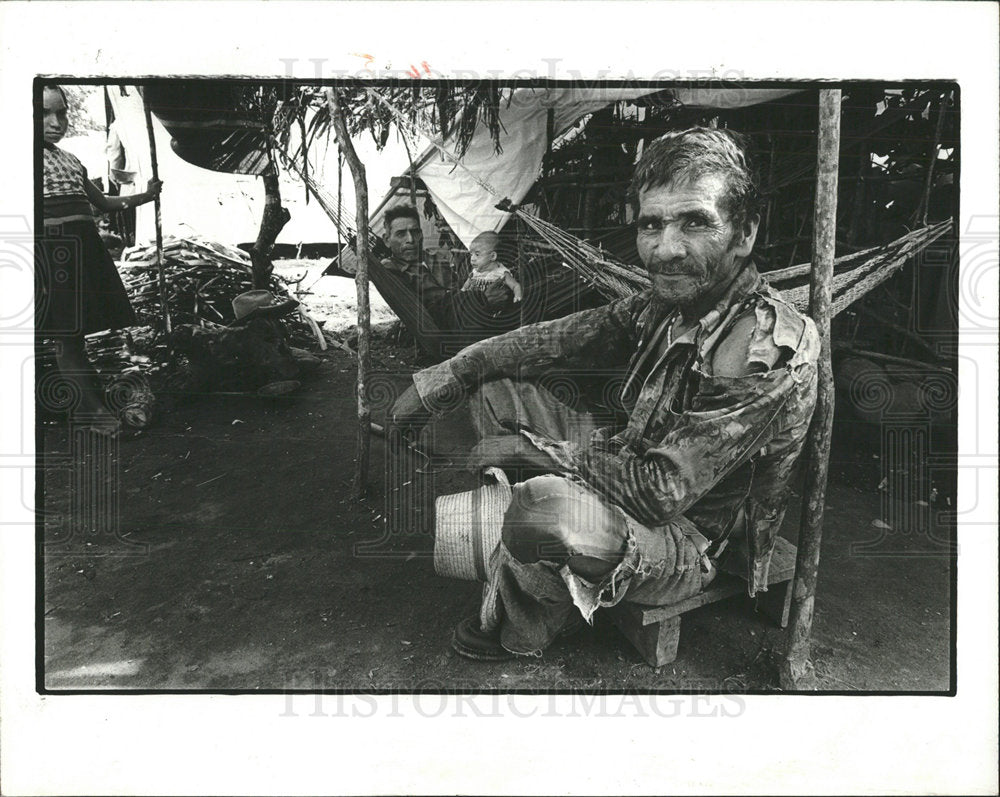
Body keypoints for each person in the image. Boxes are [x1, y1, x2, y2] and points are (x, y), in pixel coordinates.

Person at [389, 127, 821, 661]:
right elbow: (554, 338)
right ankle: (545, 545)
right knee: (496, 392)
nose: (667, 248)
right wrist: (449, 372)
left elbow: (662, 495)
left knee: (541, 511)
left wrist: (537, 452)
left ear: (745, 232)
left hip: (691, 536)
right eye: (652, 225)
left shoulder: (762, 345)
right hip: (623, 457)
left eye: (695, 222)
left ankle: (533, 609)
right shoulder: (667, 303)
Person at [38, 85, 162, 433]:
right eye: (44, 113)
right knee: (67, 335)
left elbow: (104, 203)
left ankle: (86, 407)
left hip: (83, 251)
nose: (56, 121)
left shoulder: (70, 160)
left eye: (61, 112)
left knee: (77, 335)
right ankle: (91, 413)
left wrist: (146, 196)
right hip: (50, 255)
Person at [460, 231, 523, 313]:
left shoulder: (502, 273)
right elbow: (465, 287)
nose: (472, 258)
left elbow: (515, 286)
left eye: (477, 254)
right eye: (471, 254)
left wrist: (517, 296)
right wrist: (461, 294)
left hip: (495, 308)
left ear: (493, 256)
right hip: (475, 307)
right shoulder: (475, 272)